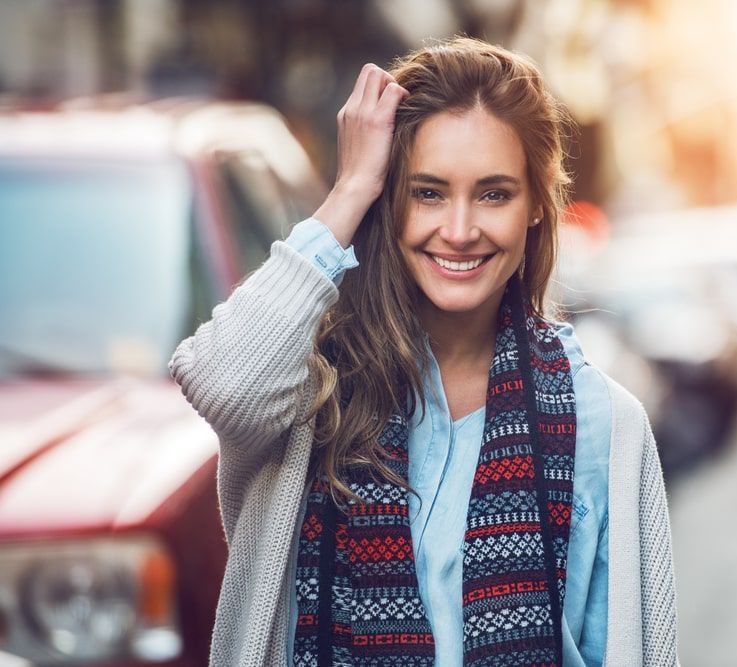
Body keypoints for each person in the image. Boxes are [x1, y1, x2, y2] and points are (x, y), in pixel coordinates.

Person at [168, 36, 679, 667]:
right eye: (428, 192)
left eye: (494, 194)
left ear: (537, 210)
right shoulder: (304, 395)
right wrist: (351, 188)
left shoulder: (606, 424)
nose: (459, 230)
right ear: (390, 199)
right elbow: (221, 384)